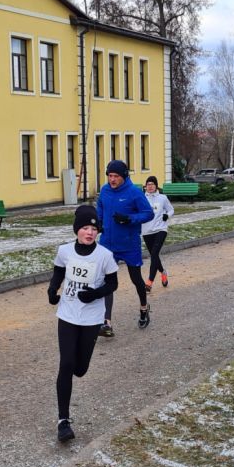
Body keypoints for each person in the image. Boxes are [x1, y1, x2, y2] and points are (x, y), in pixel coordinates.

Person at [47, 204, 119, 443]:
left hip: (91, 318)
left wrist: (95, 294)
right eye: (85, 228)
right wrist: (52, 289)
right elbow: (58, 271)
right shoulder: (65, 251)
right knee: (66, 364)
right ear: (77, 230)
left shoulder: (104, 256)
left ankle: (78, 369)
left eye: (94, 228)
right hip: (67, 314)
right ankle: (63, 421)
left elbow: (112, 284)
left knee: (80, 369)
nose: (89, 232)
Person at [95, 160, 155, 334]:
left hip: (129, 245)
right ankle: (107, 322)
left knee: (136, 280)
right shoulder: (105, 190)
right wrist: (97, 224)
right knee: (107, 282)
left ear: (124, 176)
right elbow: (100, 209)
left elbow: (148, 213)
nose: (112, 179)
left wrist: (129, 219)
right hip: (108, 244)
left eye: (116, 176)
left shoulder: (134, 192)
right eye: (110, 176)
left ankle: (144, 308)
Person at [141, 176, 174, 291]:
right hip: (146, 231)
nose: (150, 186)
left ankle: (149, 282)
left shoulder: (162, 198)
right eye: (148, 184)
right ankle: (163, 271)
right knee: (154, 255)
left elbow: (171, 210)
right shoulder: (141, 198)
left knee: (154, 253)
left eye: (152, 184)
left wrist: (167, 215)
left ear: (156, 186)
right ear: (145, 186)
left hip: (160, 229)